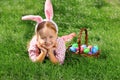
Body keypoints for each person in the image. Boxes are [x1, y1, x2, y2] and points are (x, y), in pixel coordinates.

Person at [22, 0, 76, 64]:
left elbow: (59, 62)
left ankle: (70, 36)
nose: (47, 41)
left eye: (51, 37)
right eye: (43, 38)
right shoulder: (34, 42)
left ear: (56, 35)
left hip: (59, 40)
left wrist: (50, 53)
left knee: (64, 39)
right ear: (37, 37)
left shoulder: (59, 42)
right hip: (44, 46)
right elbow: (35, 62)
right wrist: (43, 52)